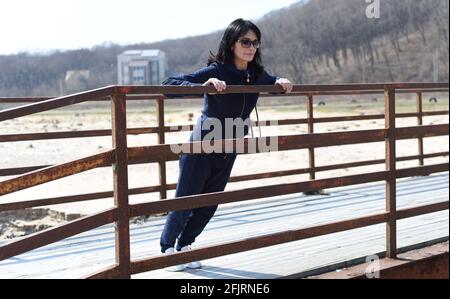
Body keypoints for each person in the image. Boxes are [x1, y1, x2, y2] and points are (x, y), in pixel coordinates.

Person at [160, 18, 293, 271]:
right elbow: (169, 85)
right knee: (185, 199)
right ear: (232, 44)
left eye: (255, 42)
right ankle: (166, 250)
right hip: (202, 145)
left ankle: (185, 245)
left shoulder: (256, 75)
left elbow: (273, 81)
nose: (250, 47)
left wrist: (282, 81)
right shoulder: (217, 71)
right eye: (245, 41)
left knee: (210, 202)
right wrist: (203, 86)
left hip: (230, 145)